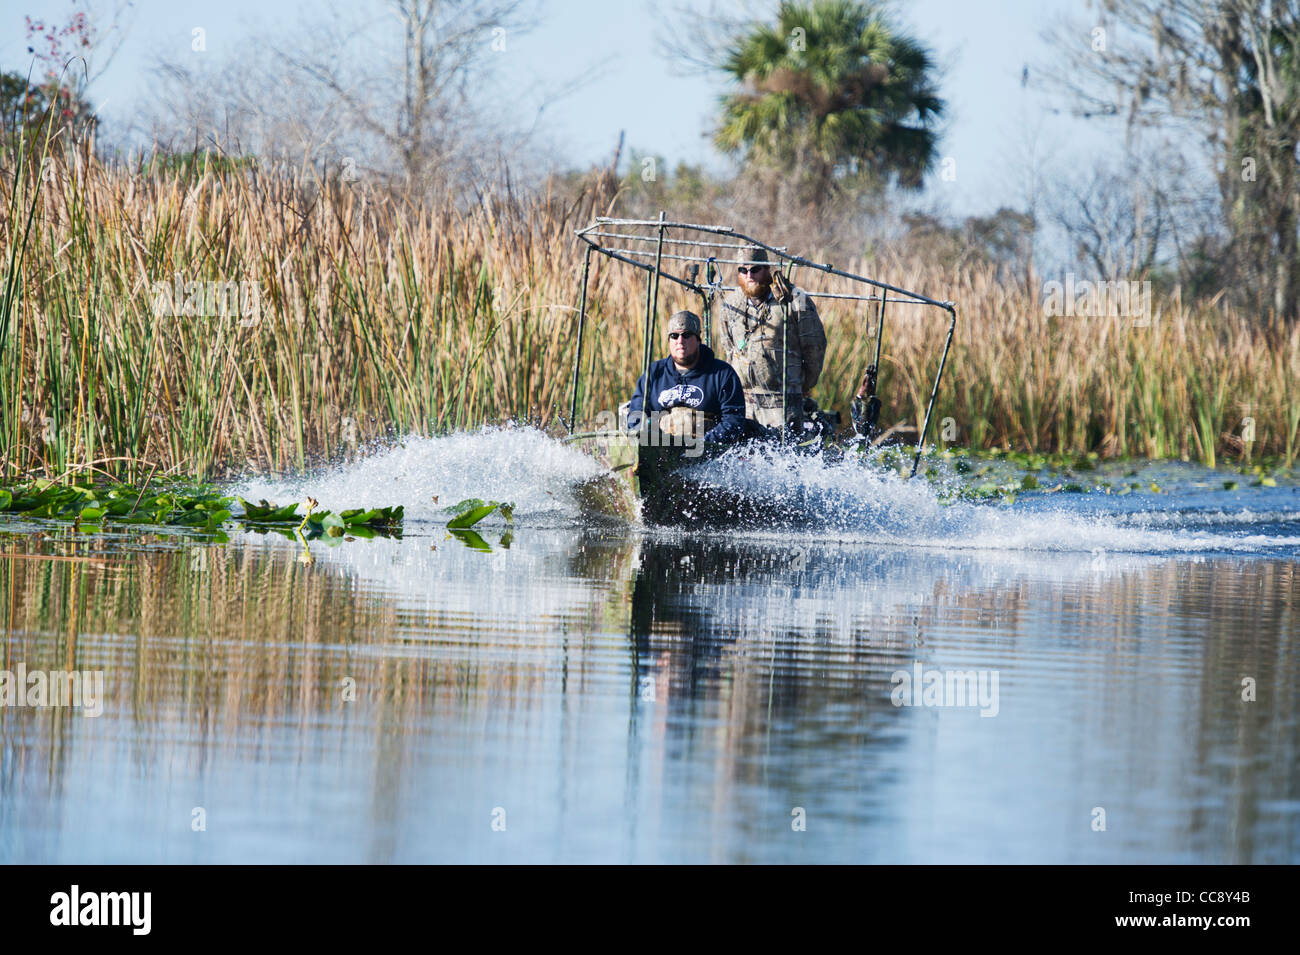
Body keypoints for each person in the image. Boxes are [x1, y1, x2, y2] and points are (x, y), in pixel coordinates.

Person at [715, 245, 827, 430]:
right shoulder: (731, 304)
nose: (749, 275)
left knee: (782, 453)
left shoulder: (794, 299)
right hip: (744, 402)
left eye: (755, 269)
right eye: (743, 270)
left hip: (782, 402)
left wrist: (804, 384)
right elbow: (728, 347)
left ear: (767, 269)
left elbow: (815, 347)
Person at [626, 310, 746, 446]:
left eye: (686, 335)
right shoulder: (653, 374)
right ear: (669, 340)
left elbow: (734, 421)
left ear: (698, 339)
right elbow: (635, 416)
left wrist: (702, 445)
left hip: (709, 453)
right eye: (674, 336)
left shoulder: (722, 374)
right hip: (663, 452)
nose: (680, 341)